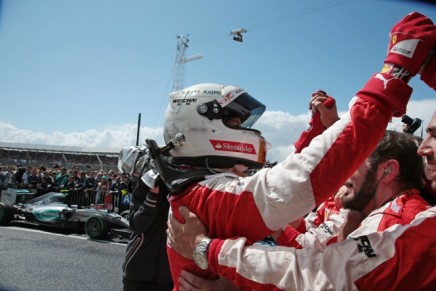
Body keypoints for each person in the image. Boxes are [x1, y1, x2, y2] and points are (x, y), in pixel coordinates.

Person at [159, 12, 436, 289]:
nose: (244, 129)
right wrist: (393, 74)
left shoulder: (202, 189)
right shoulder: (205, 196)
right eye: (233, 121)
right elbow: (302, 177)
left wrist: (207, 251)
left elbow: (294, 179)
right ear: (197, 125)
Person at [167, 111, 436, 290]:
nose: (345, 172)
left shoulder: (396, 220)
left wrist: (205, 249)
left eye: (357, 161)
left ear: (388, 171)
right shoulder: (371, 212)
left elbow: (321, 277)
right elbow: (310, 251)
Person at [119, 146, 174, 291]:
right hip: (139, 271)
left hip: (168, 274)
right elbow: (137, 224)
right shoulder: (141, 189)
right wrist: (152, 195)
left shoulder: (175, 187)